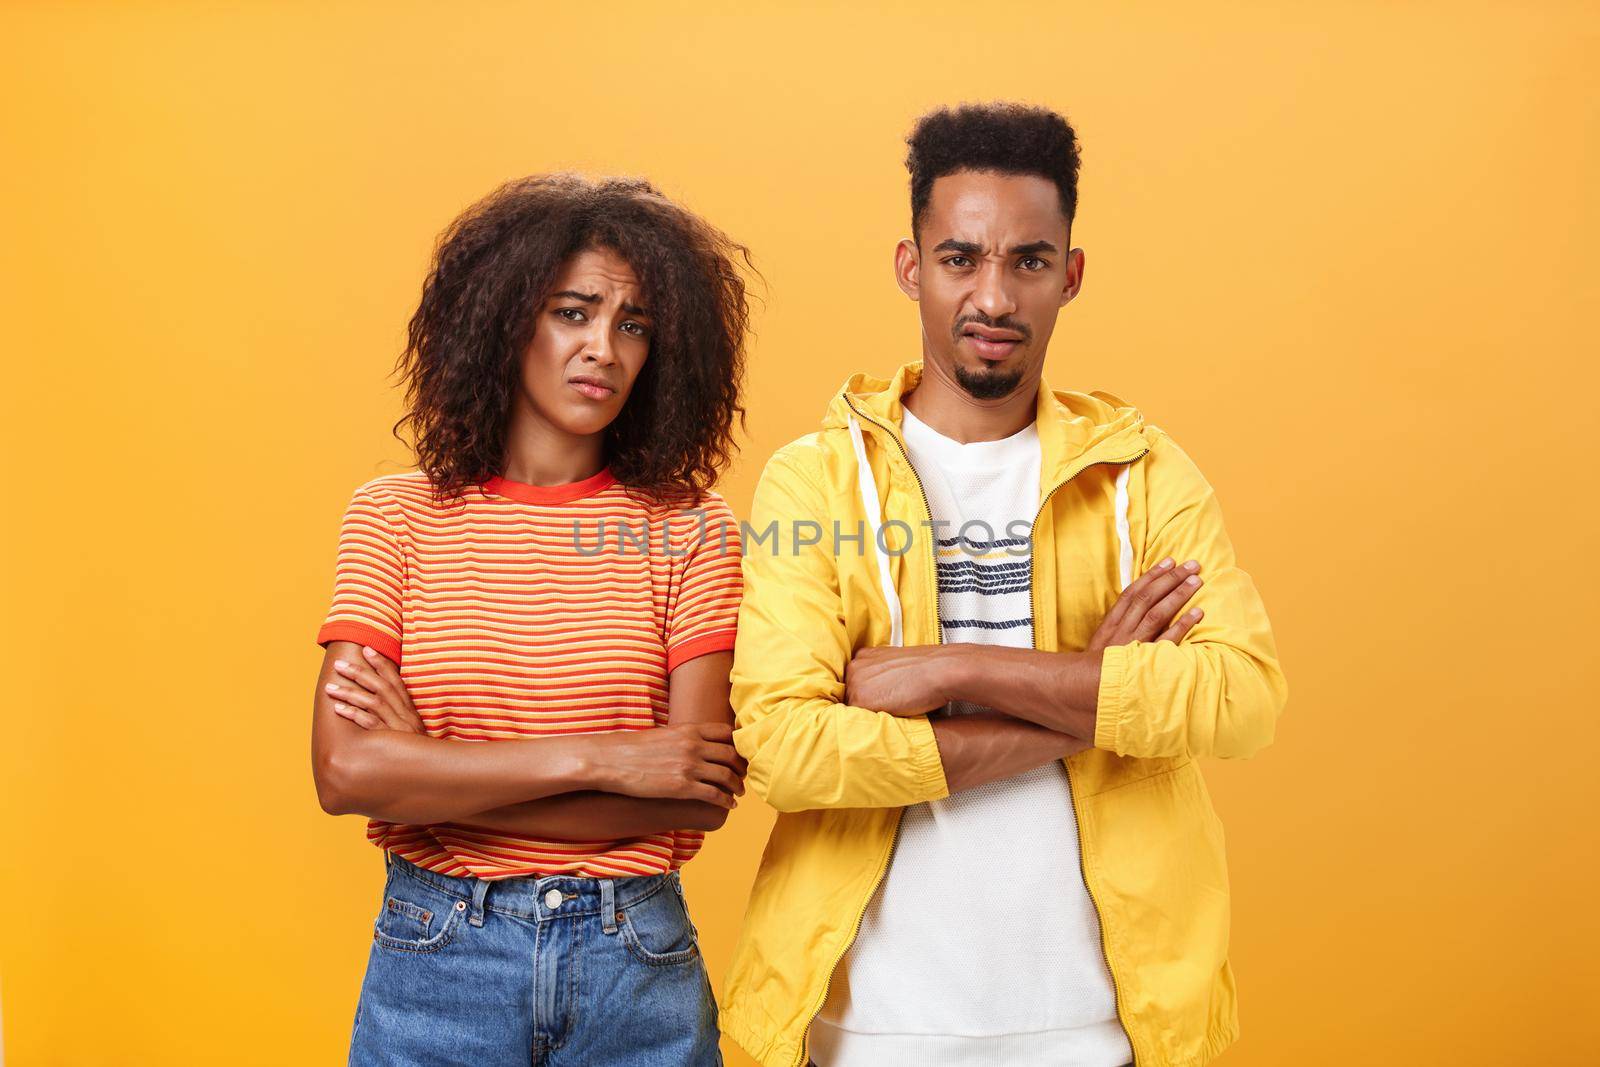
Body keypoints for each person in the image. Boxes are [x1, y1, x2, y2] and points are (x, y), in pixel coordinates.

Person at [720, 103, 1289, 1067]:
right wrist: (1088, 697)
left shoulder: (1142, 473)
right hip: (871, 1029)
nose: (994, 295)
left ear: (1069, 274)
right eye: (959, 259)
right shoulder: (815, 479)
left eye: (1028, 260)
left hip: (1103, 1028)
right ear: (912, 267)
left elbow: (1241, 699)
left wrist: (951, 667)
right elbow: (784, 748)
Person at [311, 173, 752, 1066]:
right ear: (507, 317)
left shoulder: (694, 528)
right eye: (574, 312)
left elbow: (697, 793)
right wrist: (610, 759)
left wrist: (434, 774)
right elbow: (346, 768)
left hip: (635, 964)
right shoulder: (393, 517)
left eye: (633, 324)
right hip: (438, 956)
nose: (605, 349)